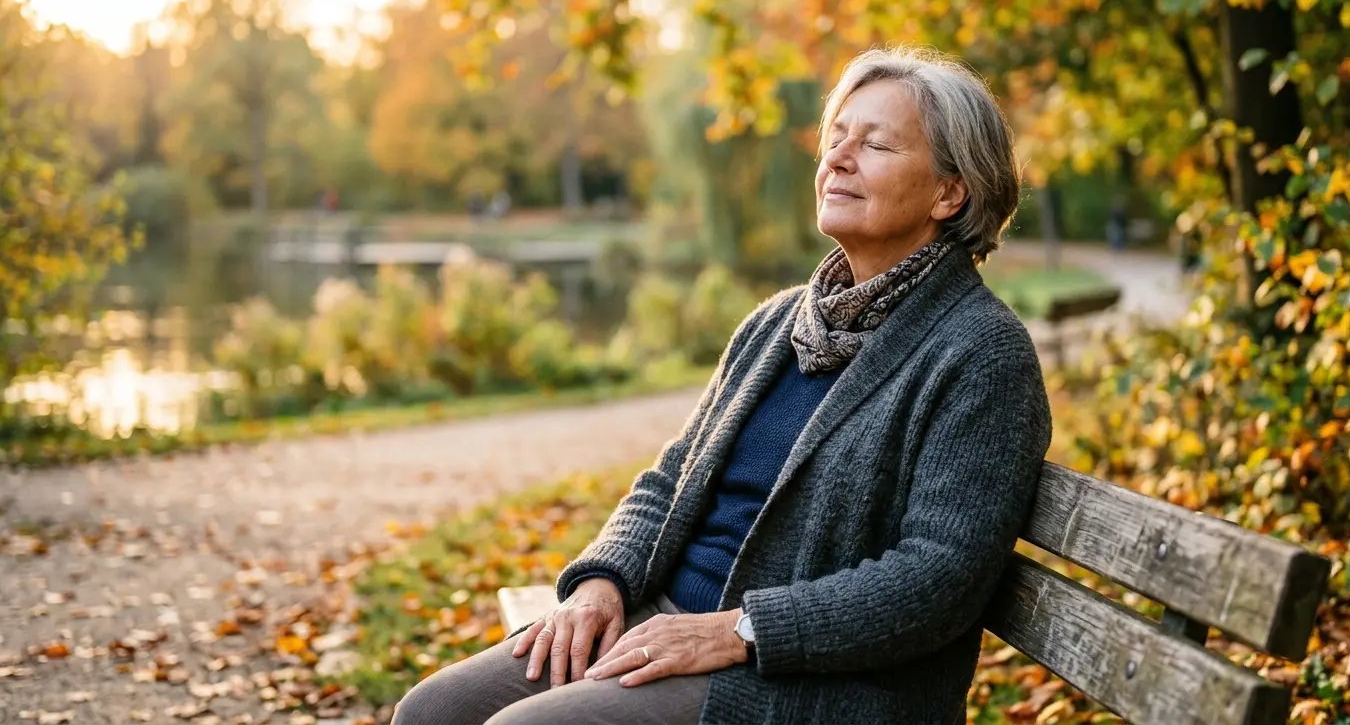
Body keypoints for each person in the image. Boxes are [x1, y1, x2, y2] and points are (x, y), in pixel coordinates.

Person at [392, 46, 1052, 725]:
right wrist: (600, 582)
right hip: (666, 621)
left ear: (951, 191)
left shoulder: (981, 354)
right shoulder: (778, 323)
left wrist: (736, 630)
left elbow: (937, 579)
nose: (839, 159)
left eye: (876, 144)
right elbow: (670, 478)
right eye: (837, 137)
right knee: (433, 711)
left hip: (811, 682)